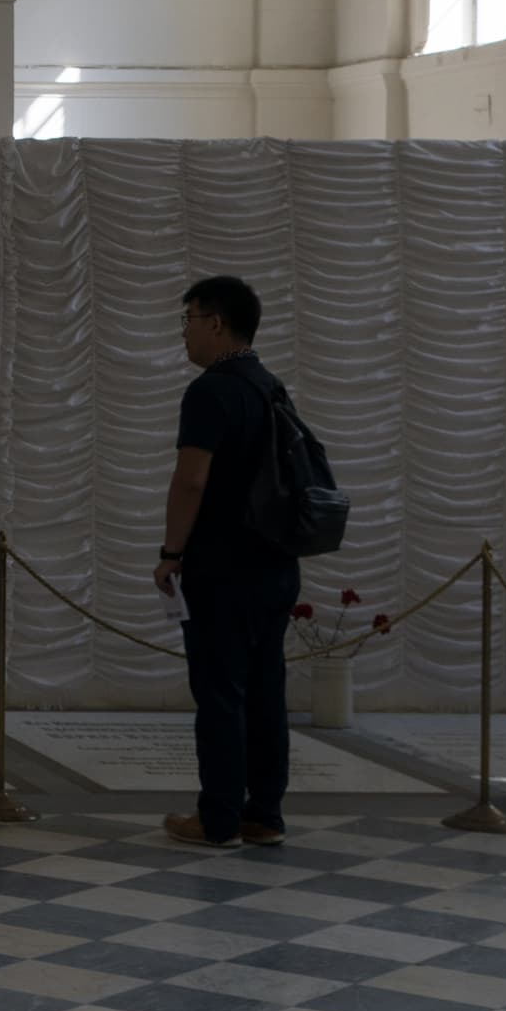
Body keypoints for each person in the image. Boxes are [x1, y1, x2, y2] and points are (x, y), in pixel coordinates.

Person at [154, 272, 301, 853]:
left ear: (215, 323)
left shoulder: (211, 391)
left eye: (188, 320)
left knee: (220, 693)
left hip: (223, 566)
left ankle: (217, 819)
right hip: (276, 563)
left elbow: (191, 480)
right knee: (266, 692)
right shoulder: (270, 386)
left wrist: (171, 553)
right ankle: (264, 815)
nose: (184, 333)